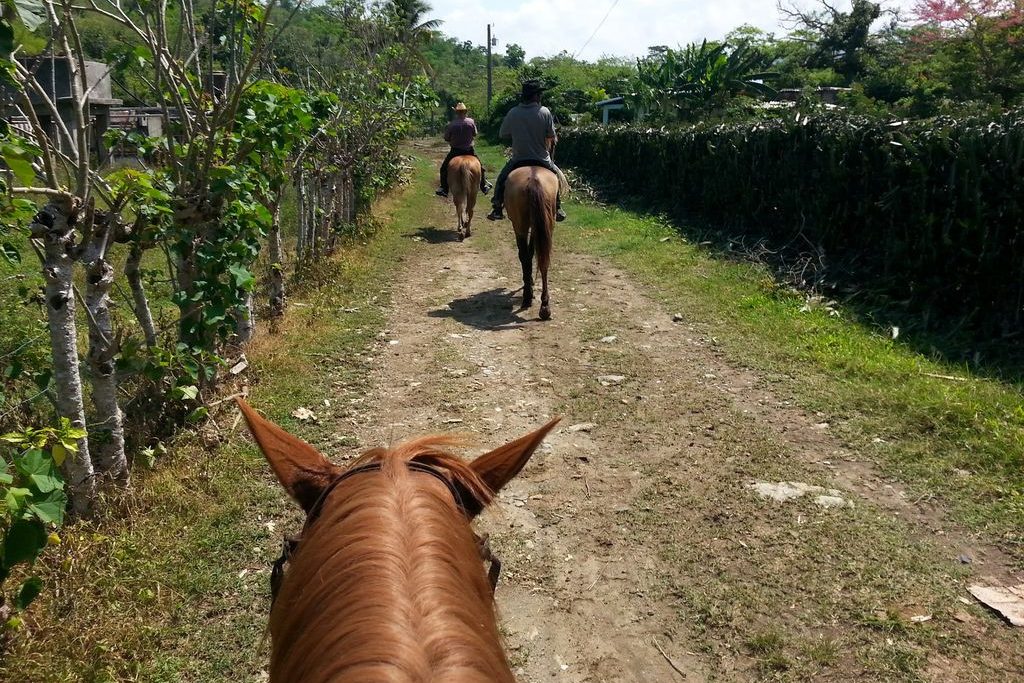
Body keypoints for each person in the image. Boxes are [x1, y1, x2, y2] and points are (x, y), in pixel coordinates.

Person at [486, 80, 566, 222]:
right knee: (555, 177)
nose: (540, 96)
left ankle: (497, 206)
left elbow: (502, 134)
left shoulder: (513, 112)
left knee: (502, 178)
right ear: (535, 96)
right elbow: (551, 135)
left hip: (519, 159)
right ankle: (558, 207)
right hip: (542, 159)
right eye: (539, 94)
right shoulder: (545, 112)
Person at [436, 102, 491, 197]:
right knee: (481, 168)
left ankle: (444, 188)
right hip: (469, 150)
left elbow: (446, 138)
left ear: (456, 112)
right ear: (465, 111)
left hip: (455, 151)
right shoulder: (471, 122)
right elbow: (475, 134)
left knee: (444, 169)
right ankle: (483, 186)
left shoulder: (452, 124)